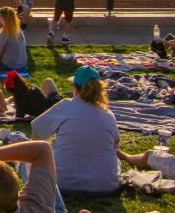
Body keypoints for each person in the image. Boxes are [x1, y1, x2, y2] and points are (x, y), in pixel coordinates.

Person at [30, 66, 120, 195]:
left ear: (75, 88)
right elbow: (114, 146)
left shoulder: (66, 106)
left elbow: (37, 136)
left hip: (63, 183)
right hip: (106, 185)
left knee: (29, 160)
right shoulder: (108, 114)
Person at [0, 6, 28, 72]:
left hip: (10, 66)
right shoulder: (17, 29)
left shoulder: (4, 34)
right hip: (22, 64)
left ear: (3, 18)